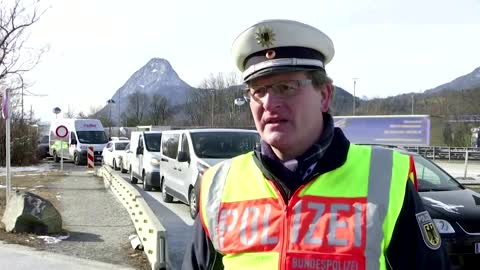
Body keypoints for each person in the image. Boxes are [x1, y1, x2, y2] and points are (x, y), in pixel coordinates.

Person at [182, 19, 451, 270]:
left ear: (324, 95)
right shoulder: (219, 185)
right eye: (258, 91)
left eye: (285, 88)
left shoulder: (384, 179)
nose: (268, 103)